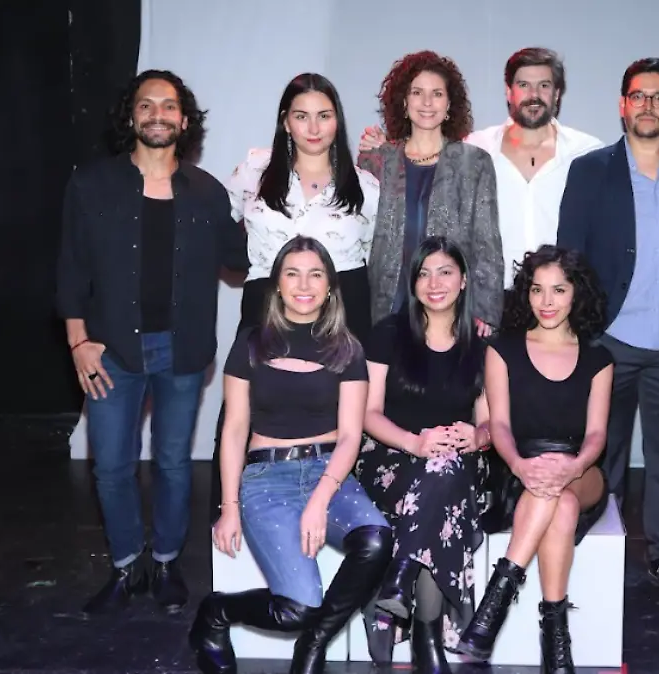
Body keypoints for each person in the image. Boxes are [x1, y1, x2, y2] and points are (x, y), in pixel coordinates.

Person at [55, 69, 248, 615]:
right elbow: (71, 267)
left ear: (184, 121)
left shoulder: (207, 192)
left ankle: (165, 562)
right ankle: (125, 565)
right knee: (111, 466)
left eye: (168, 105)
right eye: (146, 105)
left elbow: (238, 261)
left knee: (172, 463)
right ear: (132, 117)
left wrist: (260, 202)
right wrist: (78, 341)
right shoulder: (92, 185)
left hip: (182, 352)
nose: (157, 113)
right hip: (110, 350)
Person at [188, 236, 393, 674]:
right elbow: (234, 430)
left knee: (376, 540)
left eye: (315, 274)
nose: (304, 285)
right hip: (267, 477)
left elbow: (351, 436)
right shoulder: (250, 343)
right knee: (296, 608)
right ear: (277, 285)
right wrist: (229, 507)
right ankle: (217, 612)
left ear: (330, 286)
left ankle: (314, 643)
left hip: (328, 471)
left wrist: (319, 500)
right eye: (293, 274)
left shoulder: (348, 348)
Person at [556, 58, 659, 601]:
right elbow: (570, 256)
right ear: (623, 105)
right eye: (638, 96)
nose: (648, 105)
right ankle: (601, 551)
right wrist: (577, 335)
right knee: (604, 456)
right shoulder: (590, 170)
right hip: (609, 341)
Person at [358, 47, 659, 288]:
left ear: (557, 94)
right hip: (487, 299)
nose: (533, 94)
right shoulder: (476, 147)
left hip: (557, 300)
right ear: (509, 92)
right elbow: (422, 160)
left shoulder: (588, 153)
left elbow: (640, 164)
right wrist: (386, 148)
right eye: (523, 85)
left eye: (544, 85)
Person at [211, 72, 380, 520]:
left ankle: (347, 519)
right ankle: (232, 515)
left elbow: (376, 253)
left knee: (346, 419)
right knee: (246, 412)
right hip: (266, 304)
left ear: (337, 120)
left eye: (324, 116)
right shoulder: (255, 170)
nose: (313, 127)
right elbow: (216, 219)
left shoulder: (365, 184)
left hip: (342, 308)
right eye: (301, 116)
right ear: (285, 121)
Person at [453, 245, 614, 674]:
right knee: (559, 504)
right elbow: (500, 426)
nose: (547, 301)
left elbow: (597, 435)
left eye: (558, 290)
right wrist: (521, 466)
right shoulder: (502, 350)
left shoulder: (598, 358)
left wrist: (573, 466)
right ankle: (556, 638)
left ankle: (495, 601)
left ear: (576, 294)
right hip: (519, 469)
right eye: (537, 289)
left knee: (563, 491)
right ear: (526, 293)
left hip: (580, 469)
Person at [354, 235, 493, 670]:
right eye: (424, 274)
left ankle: (398, 581)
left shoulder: (481, 343)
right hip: (391, 457)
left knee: (445, 471)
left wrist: (477, 437)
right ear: (412, 283)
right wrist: (415, 442)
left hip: (458, 462)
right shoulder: (388, 334)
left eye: (445, 272)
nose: (435, 284)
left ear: (464, 280)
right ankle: (427, 635)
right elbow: (368, 413)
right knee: (441, 486)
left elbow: (492, 423)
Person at [357, 50, 503, 333]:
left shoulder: (474, 163)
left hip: (452, 309)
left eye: (437, 94)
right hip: (386, 305)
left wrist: (486, 311)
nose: (427, 102)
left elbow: (487, 243)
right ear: (404, 102)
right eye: (417, 93)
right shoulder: (377, 160)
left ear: (449, 104)